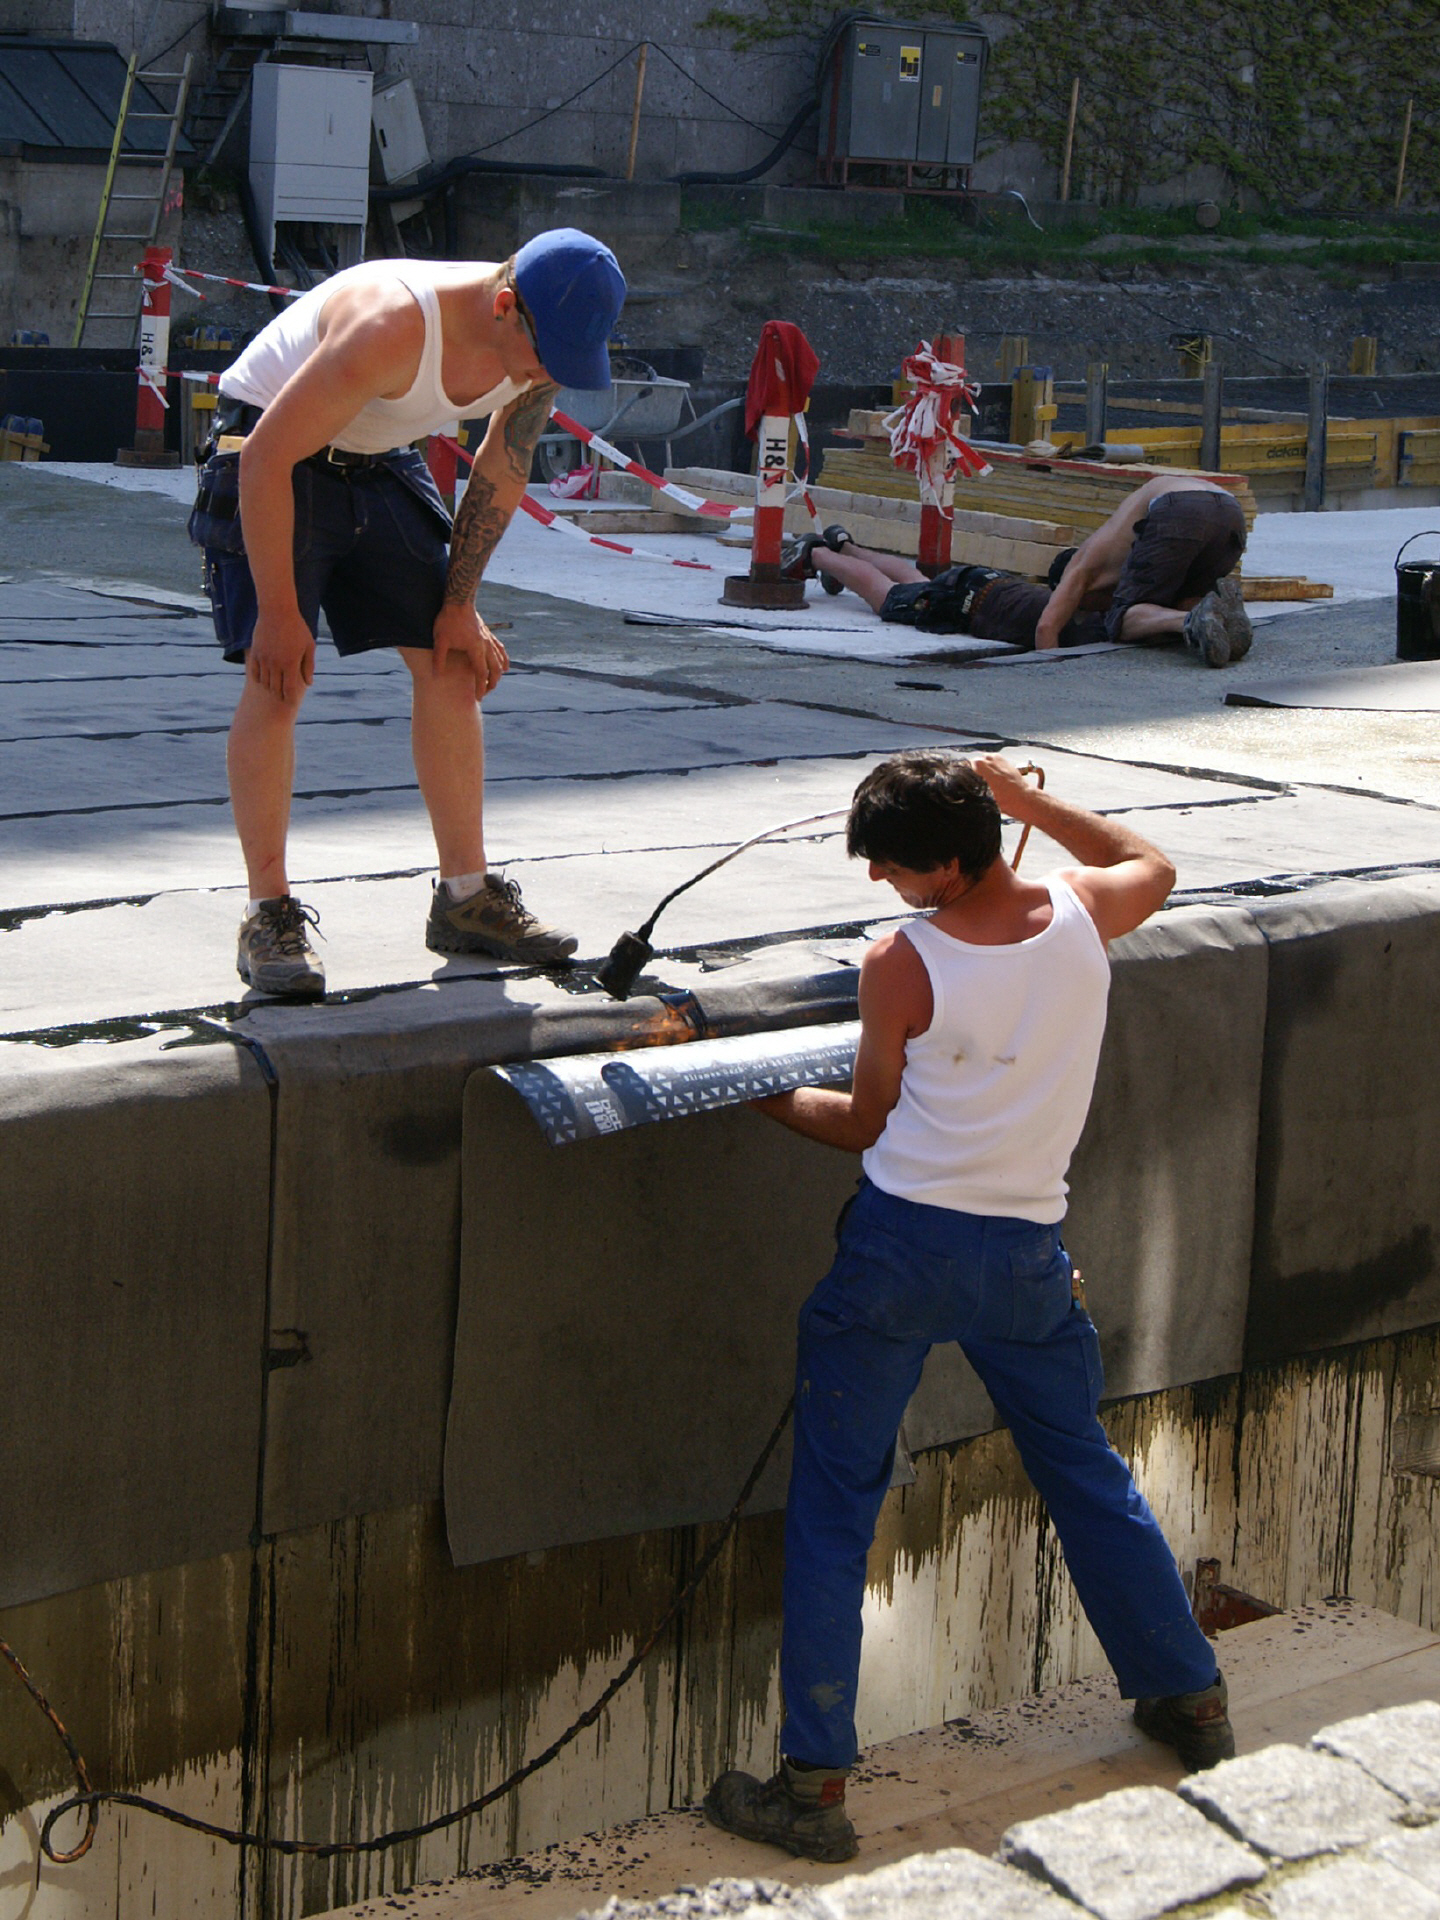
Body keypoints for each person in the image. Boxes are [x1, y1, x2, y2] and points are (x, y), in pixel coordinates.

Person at [703, 749, 1234, 1866]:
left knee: (835, 1510)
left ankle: (814, 1788)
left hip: (898, 1254)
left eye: (892, 865)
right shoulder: (1085, 912)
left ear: (945, 866)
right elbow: (1152, 859)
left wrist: (748, 1087)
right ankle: (1189, 1696)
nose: (880, 883)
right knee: (1084, 1470)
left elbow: (861, 1123)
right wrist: (1032, 800)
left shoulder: (902, 961)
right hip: (1028, 1259)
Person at [191, 228, 626, 997]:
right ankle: (268, 915)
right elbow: (264, 458)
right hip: (268, 448)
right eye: (543, 358)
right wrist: (282, 615)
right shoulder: (390, 325)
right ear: (504, 306)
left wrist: (460, 604)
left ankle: (466, 898)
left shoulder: (542, 339)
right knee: (279, 676)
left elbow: (504, 463)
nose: (544, 376)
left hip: (377, 453)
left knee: (454, 659)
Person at [784, 475, 1252, 666]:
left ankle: (830, 550)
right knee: (899, 594)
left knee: (905, 589)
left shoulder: (1098, 571)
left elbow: (1053, 624)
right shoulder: (1090, 572)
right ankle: (827, 550)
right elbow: (1050, 624)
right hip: (1228, 513)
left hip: (978, 591)